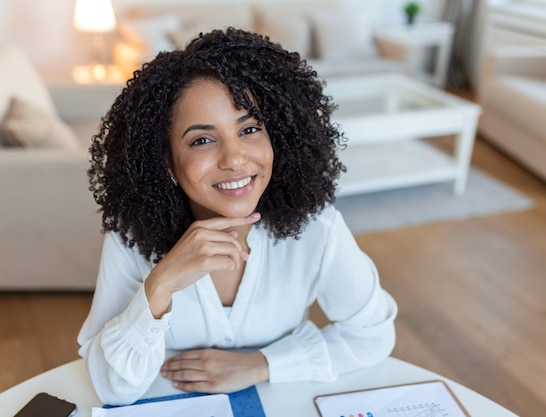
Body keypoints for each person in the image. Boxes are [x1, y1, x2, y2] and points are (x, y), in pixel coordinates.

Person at [78, 28, 397, 406]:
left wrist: (260, 364)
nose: (234, 159)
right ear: (166, 163)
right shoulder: (129, 239)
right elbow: (112, 386)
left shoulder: (318, 229)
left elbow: (374, 335)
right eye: (202, 139)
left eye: (248, 129)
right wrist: (160, 285)